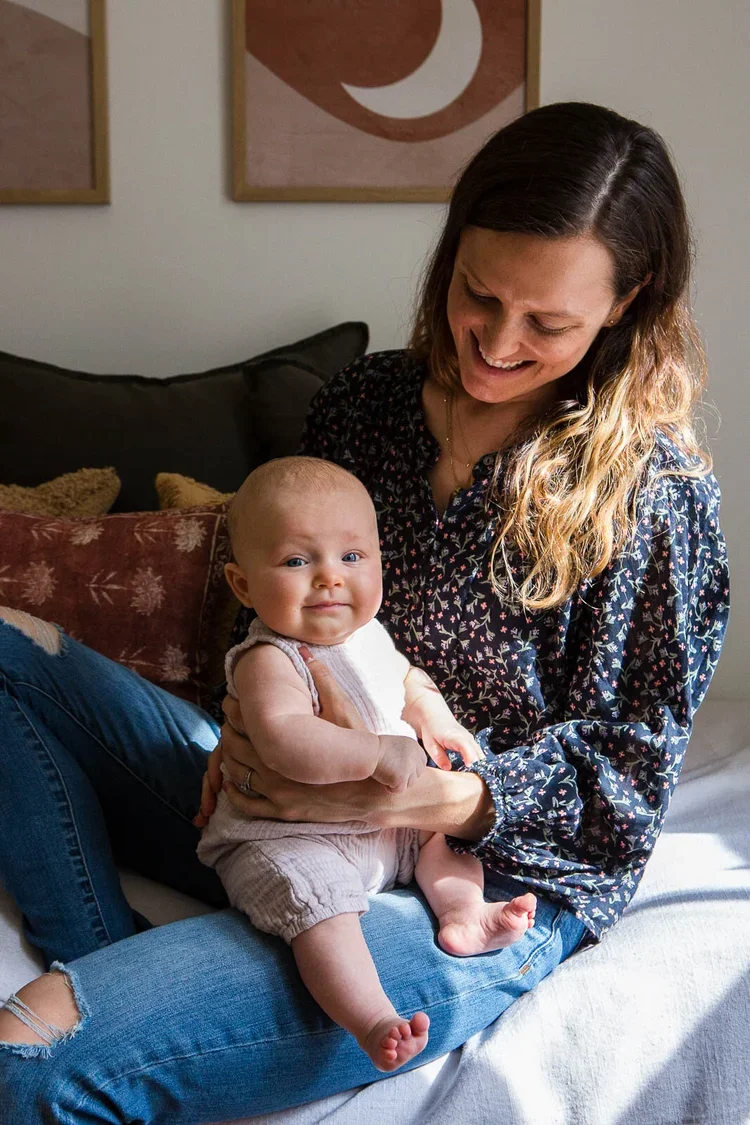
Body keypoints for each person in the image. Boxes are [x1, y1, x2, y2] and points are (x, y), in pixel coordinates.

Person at [0, 102, 728, 1123]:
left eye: (547, 323)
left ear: (626, 300)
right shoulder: (366, 404)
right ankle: (105, 946)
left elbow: (625, 786)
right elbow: (273, 591)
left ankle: (134, 1001)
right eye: (479, 294)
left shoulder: (653, 495)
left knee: (26, 1062)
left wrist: (416, 796)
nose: (496, 342)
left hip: (471, 873)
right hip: (276, 801)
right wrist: (243, 724)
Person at [197, 456, 537, 1071]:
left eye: (351, 556)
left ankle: (463, 914)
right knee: (320, 908)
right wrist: (377, 753)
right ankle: (372, 1017)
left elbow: (407, 680)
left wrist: (436, 720)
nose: (330, 577)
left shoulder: (369, 634)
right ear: (244, 586)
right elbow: (285, 740)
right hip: (289, 837)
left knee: (446, 837)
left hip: (388, 824)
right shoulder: (268, 658)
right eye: (296, 561)